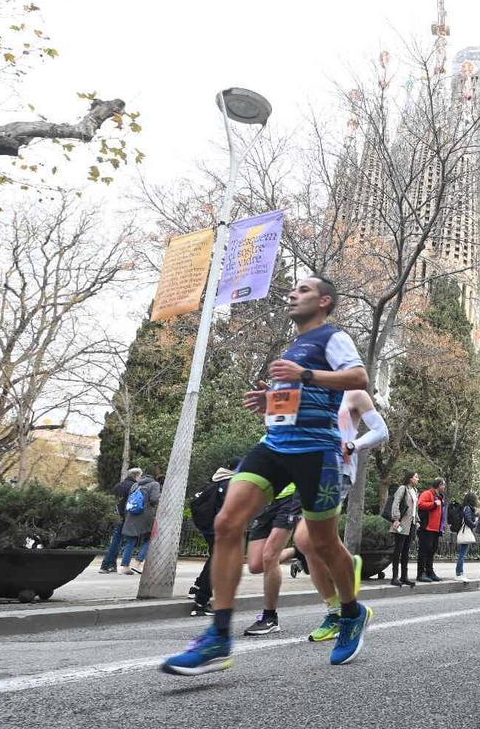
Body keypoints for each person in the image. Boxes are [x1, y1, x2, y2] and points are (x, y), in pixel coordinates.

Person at [161, 276, 370, 675]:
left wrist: (304, 376)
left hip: (317, 450)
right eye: (292, 289)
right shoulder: (292, 347)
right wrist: (270, 400)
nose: (293, 294)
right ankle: (219, 637)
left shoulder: (332, 337)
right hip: (274, 443)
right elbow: (294, 397)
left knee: (323, 544)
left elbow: (358, 379)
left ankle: (350, 611)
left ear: (325, 301)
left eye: (304, 290)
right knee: (227, 522)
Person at [300, 388, 388, 642]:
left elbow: (381, 431)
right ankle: (336, 604)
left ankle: (342, 610)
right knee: (308, 544)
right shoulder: (310, 393)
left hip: (338, 470)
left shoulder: (355, 395)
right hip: (308, 470)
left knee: (307, 540)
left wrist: (353, 444)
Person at [242, 482, 301, 635]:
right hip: (267, 498)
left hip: (292, 496)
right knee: (255, 565)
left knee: (270, 557)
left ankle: (269, 618)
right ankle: (297, 551)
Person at [188, 465, 235, 616]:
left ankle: (196, 588)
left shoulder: (215, 479)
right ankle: (201, 602)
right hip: (219, 529)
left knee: (214, 558)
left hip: (208, 527)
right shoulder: (229, 483)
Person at [99, 467, 141, 574]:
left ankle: (111, 565)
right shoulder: (134, 486)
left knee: (116, 541)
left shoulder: (118, 486)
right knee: (123, 541)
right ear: (137, 476)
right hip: (127, 517)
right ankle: (105, 565)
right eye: (140, 476)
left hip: (117, 516)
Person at [119, 470, 161, 575]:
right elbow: (154, 499)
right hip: (146, 515)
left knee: (130, 541)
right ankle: (137, 563)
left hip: (132, 514)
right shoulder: (154, 484)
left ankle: (125, 566)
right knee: (150, 539)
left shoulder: (135, 485)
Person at [388, 472, 420, 588]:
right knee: (398, 549)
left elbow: (415, 509)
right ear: (410, 478)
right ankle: (394, 577)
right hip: (401, 523)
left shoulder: (415, 491)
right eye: (416, 477)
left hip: (411, 524)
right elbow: (396, 503)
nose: (418, 479)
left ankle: (404, 576)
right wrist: (396, 519)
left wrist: (417, 521)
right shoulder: (403, 488)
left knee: (406, 550)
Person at [416, 478, 446, 583]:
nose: (444, 487)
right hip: (426, 528)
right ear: (438, 485)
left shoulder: (440, 497)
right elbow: (420, 504)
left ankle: (430, 571)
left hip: (436, 529)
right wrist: (433, 504)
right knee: (424, 551)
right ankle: (421, 573)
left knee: (432, 550)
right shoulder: (427, 493)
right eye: (443, 485)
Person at [454, 492, 479, 582]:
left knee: (462, 554)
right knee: (462, 554)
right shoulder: (468, 508)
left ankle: (460, 572)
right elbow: (468, 520)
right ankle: (459, 573)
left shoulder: (466, 508)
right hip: (465, 532)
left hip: (464, 531)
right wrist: (475, 523)